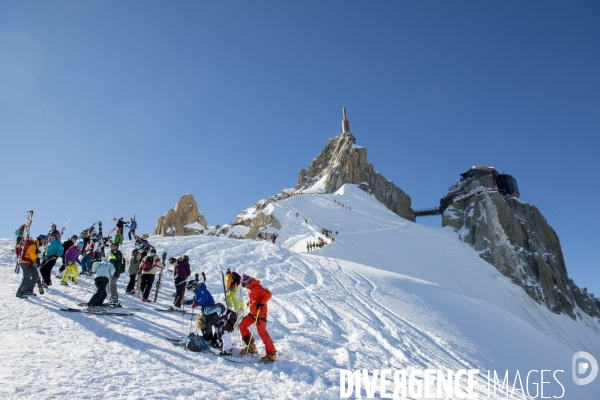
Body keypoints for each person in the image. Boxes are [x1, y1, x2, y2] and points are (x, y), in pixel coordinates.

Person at [238, 274, 277, 362]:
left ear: (248, 282)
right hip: (252, 313)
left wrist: (262, 303)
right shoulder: (250, 288)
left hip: (260, 314)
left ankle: (272, 353)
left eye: (244, 285)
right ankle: (251, 346)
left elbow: (268, 294)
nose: (244, 287)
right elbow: (255, 297)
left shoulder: (257, 287)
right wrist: (250, 302)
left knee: (262, 332)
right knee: (242, 326)